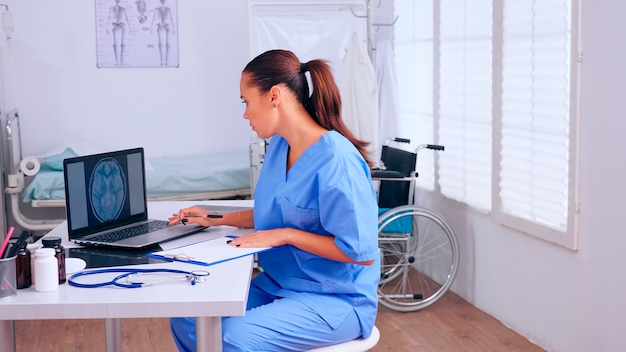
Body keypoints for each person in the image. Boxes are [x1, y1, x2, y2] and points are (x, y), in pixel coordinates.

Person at [168, 49, 380, 351]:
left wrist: (287, 236)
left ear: (274, 96)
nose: (245, 113)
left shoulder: (337, 162)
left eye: (246, 101)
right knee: (188, 319)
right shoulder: (280, 146)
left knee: (232, 337)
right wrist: (213, 217)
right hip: (280, 284)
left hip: (335, 299)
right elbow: (277, 213)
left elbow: (361, 252)